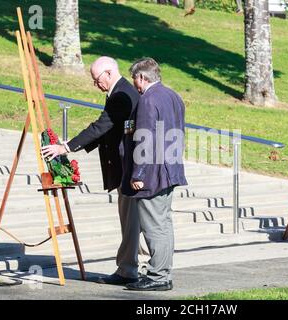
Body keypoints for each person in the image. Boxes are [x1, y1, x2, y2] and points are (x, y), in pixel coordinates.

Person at [41, 56, 142, 285]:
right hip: (130, 167)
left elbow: (102, 125)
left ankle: (127, 270)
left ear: (108, 73)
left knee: (130, 220)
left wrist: (65, 147)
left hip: (129, 168)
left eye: (97, 80)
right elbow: (108, 129)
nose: (95, 85)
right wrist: (73, 145)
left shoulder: (120, 95)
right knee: (134, 220)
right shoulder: (121, 91)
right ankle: (137, 265)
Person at [123, 57, 188, 291]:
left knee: (154, 226)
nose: (135, 85)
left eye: (135, 79)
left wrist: (137, 173)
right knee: (164, 223)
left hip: (153, 172)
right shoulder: (173, 96)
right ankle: (163, 272)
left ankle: (158, 276)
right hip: (171, 167)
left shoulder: (148, 100)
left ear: (142, 77)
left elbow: (145, 138)